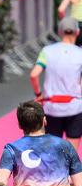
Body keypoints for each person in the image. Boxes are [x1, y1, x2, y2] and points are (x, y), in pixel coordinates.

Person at [30, 18, 82, 152]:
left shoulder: (47, 51)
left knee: (52, 154)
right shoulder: (80, 53)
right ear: (77, 32)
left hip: (51, 108)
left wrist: (38, 94)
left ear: (60, 32)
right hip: (74, 107)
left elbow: (34, 75)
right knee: (72, 154)